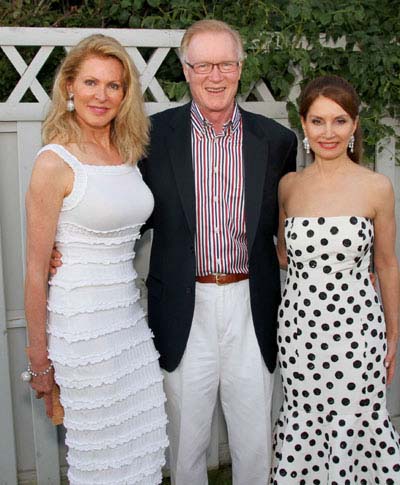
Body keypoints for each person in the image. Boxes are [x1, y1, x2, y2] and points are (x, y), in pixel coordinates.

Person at [139, 19, 297, 485]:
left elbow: (291, 220)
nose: (215, 75)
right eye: (203, 64)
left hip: (252, 302)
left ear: (240, 67)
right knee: (186, 440)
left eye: (225, 63)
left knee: (253, 438)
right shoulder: (151, 137)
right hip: (184, 305)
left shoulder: (276, 141)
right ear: (185, 70)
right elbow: (130, 214)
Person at [23, 34, 167, 485]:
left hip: (129, 327)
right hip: (82, 334)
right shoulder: (54, 162)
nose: (101, 96)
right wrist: (40, 361)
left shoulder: (126, 154)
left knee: (143, 450)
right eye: (90, 82)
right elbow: (34, 271)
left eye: (114, 86)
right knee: (100, 460)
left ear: (125, 95)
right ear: (68, 86)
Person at [270, 75, 400, 484]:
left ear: (355, 124)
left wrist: (393, 332)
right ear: (304, 125)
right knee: (302, 420)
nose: (329, 132)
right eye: (318, 121)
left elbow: (386, 263)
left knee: (358, 420)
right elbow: (282, 255)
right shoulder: (289, 187)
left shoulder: (377, 187)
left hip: (358, 330)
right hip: (299, 330)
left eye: (339, 121)